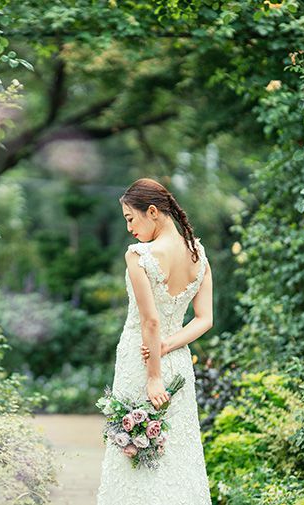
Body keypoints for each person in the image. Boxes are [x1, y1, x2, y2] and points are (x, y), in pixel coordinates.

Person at [96, 178, 213, 505]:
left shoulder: (139, 256)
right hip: (175, 360)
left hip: (144, 361)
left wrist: (153, 376)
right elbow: (205, 319)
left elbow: (150, 320)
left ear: (153, 211)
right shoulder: (198, 254)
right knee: (176, 454)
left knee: (135, 458)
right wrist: (167, 345)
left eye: (130, 218)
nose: (129, 228)